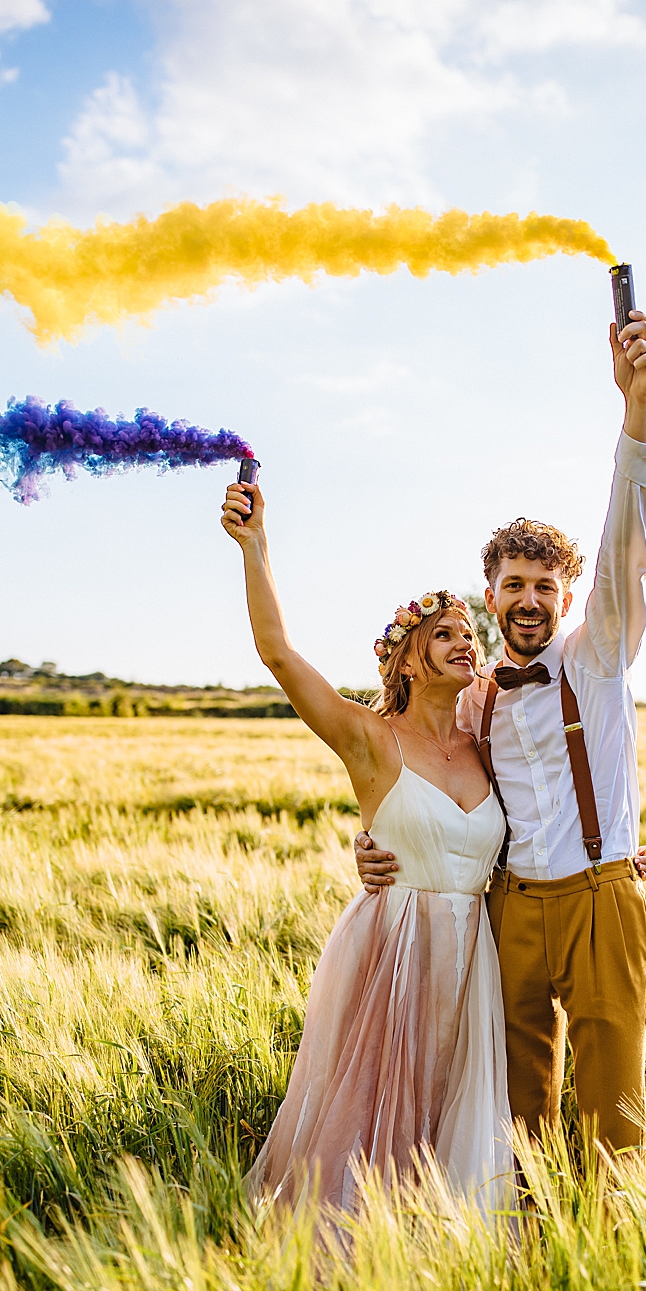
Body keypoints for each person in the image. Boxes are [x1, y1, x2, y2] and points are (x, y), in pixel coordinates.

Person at [356, 312, 646, 1163]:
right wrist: (371, 839)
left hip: (599, 901)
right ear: (490, 596)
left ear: (567, 599)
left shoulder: (597, 652)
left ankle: (607, 1260)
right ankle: (528, 1248)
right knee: (515, 1107)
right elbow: (412, 768)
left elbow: (625, 547)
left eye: (545, 586)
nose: (530, 599)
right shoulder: (475, 697)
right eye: (513, 584)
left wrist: (636, 409)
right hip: (509, 910)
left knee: (612, 1109)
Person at [220, 510, 513, 1218]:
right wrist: (256, 547)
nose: (464, 642)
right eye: (442, 633)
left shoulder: (490, 736)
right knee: (376, 1116)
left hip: (477, 958)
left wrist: (621, 850)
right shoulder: (369, 738)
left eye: (469, 632)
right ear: (407, 659)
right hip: (396, 947)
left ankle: (444, 1245)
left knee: (452, 1113)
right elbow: (278, 654)